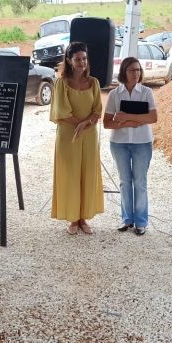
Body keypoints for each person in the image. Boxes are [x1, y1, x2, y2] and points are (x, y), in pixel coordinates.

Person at [49, 41, 104, 234]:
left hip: (88, 135)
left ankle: (83, 218)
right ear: (69, 61)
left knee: (87, 174)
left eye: (84, 58)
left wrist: (85, 123)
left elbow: (97, 110)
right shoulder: (61, 83)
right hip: (68, 136)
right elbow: (61, 111)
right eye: (78, 59)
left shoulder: (94, 82)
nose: (82, 62)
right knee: (70, 174)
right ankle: (72, 219)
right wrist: (80, 123)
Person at [103, 57, 158, 236]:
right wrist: (134, 122)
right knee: (124, 182)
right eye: (132, 70)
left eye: (138, 70)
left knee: (140, 182)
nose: (136, 73)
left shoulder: (147, 92)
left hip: (142, 142)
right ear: (124, 72)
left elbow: (153, 117)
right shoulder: (114, 94)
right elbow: (107, 123)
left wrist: (126, 117)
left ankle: (141, 221)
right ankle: (127, 219)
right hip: (119, 143)